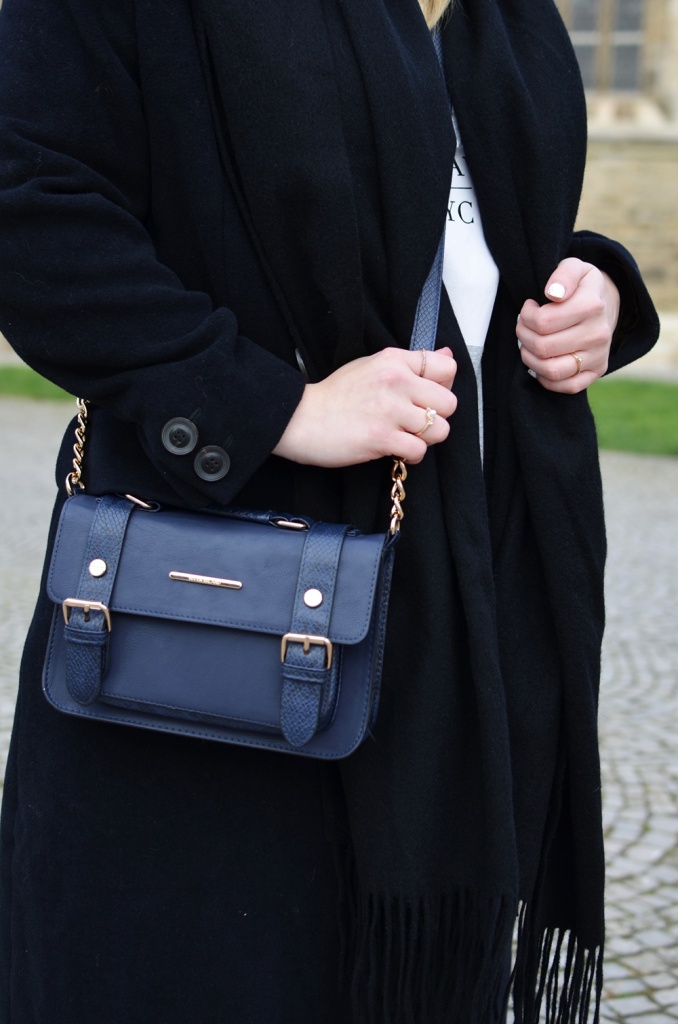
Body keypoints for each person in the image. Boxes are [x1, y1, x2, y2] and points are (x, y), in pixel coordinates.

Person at [0, 0, 660, 1021]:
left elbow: (438, 223)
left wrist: (590, 290)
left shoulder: (500, 15)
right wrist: (271, 408)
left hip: (449, 649)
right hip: (213, 649)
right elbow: (27, 198)